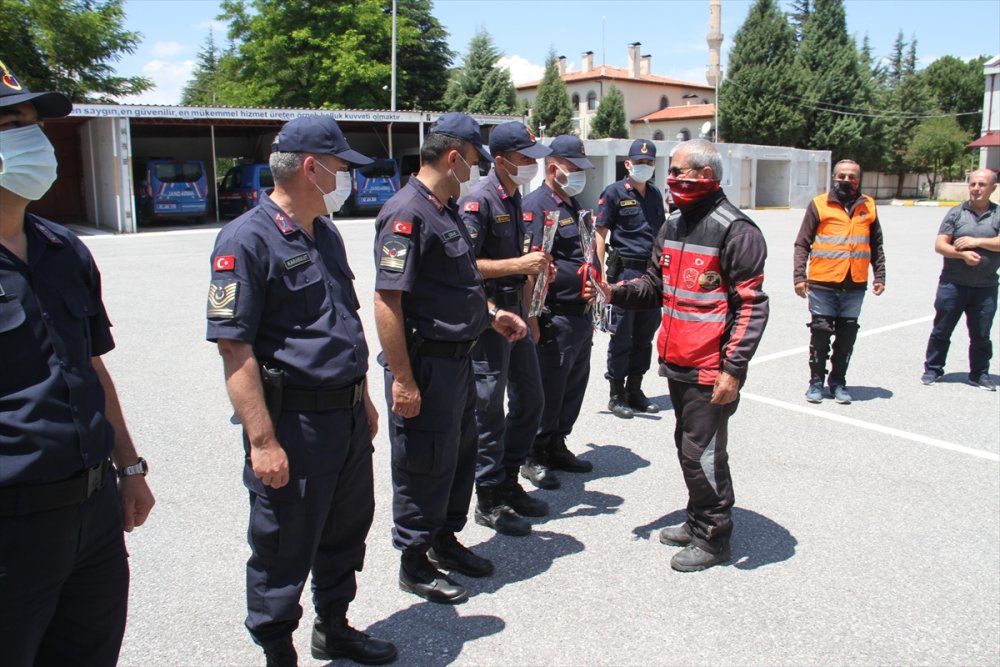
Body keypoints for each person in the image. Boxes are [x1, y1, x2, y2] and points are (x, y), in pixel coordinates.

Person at [206, 115, 396, 666]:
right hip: (296, 423)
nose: (348, 179)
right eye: (341, 167)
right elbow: (233, 348)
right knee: (284, 541)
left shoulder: (325, 232)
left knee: (345, 529)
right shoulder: (245, 239)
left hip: (345, 416)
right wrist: (262, 441)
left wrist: (363, 397)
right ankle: (277, 651)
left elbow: (343, 322)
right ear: (312, 169)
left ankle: (333, 626)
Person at [0, 60, 155, 665]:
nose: (31, 139)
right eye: (11, 125)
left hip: (92, 512)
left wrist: (129, 465)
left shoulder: (63, 247)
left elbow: (89, 367)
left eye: (32, 123)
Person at [373, 112, 527, 605]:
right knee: (424, 460)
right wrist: (403, 379)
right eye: (475, 159)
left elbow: (457, 285)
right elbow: (388, 300)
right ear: (454, 156)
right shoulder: (406, 213)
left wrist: (491, 316)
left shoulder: (445, 208)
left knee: (458, 455)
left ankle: (444, 538)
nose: (476, 169)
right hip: (425, 365)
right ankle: (414, 559)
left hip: (459, 359)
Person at [607, 139, 768, 572]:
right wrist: (613, 292)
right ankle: (698, 519)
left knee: (702, 454)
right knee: (688, 447)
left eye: (679, 172)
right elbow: (653, 287)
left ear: (706, 176)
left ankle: (714, 537)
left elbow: (751, 306)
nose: (671, 178)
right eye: (671, 171)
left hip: (711, 366)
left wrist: (733, 369)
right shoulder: (673, 225)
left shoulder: (737, 231)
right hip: (678, 359)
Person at [458, 121, 552, 536]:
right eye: (524, 158)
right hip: (490, 317)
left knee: (531, 399)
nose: (531, 163)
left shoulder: (515, 199)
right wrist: (518, 265)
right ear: (500, 160)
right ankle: (489, 496)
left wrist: (531, 314)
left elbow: (523, 264)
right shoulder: (478, 201)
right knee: (489, 410)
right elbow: (464, 267)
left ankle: (510, 479)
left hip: (516, 309)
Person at [520, 135, 597, 490]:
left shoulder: (572, 204)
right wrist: (532, 319)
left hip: (580, 313)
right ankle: (532, 452)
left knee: (572, 386)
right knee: (547, 388)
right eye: (573, 167)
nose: (580, 173)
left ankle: (556, 443)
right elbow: (531, 265)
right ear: (553, 168)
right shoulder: (538, 205)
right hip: (554, 316)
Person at [793, 159, 885, 404]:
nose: (846, 180)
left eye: (852, 176)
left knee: (846, 337)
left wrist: (880, 275)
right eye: (842, 175)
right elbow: (802, 243)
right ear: (834, 177)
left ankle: (838, 382)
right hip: (823, 283)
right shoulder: (819, 204)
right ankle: (815, 382)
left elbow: (876, 244)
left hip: (854, 285)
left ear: (858, 180)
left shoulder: (868, 205)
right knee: (820, 336)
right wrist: (799, 276)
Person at [596, 139, 666, 419]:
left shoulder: (655, 194)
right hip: (625, 273)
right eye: (639, 162)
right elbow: (600, 233)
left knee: (645, 336)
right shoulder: (614, 192)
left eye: (649, 162)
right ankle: (616, 394)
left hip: (651, 276)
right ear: (628, 164)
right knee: (622, 335)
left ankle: (635, 389)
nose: (644, 166)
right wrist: (599, 273)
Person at [921, 168, 999, 390]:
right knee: (941, 330)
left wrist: (976, 242)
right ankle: (933, 369)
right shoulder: (956, 213)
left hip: (985, 287)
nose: (976, 188)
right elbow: (940, 245)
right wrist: (962, 254)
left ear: (993, 188)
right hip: (952, 285)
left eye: (982, 184)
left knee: (981, 334)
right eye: (973, 184)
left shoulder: (998, 214)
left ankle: (979, 374)